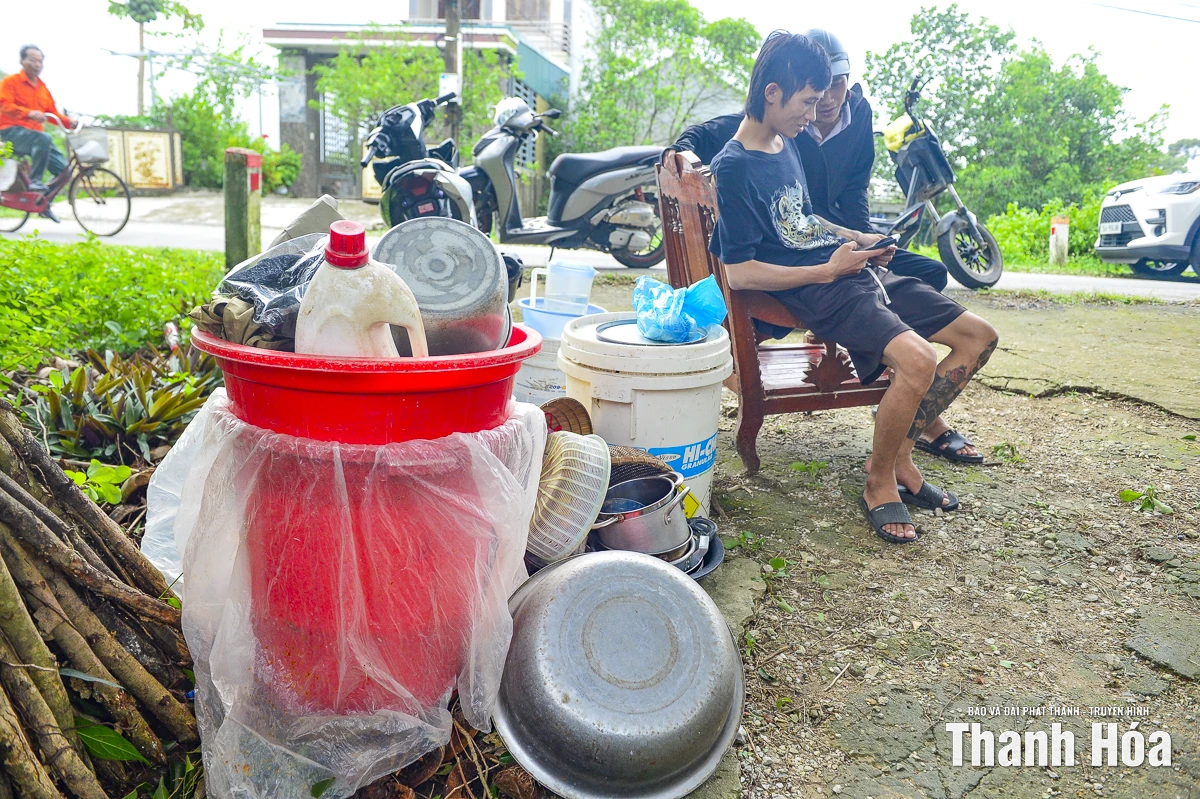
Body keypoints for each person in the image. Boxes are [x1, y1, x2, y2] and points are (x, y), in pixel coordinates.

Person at [707, 31, 998, 544]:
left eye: (819, 101)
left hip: (848, 266)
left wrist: (857, 238)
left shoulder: (784, 141)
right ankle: (879, 480)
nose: (814, 113)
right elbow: (740, 273)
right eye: (808, 102)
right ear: (772, 93)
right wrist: (828, 270)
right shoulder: (734, 167)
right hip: (819, 288)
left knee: (978, 337)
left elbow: (801, 216)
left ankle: (901, 455)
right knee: (919, 360)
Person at [0, 45, 72, 196]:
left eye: (40, 61)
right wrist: (28, 113)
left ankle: (42, 203)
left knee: (65, 170)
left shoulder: (42, 88)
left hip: (37, 139)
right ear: (22, 61)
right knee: (43, 138)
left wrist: (70, 122)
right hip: (11, 132)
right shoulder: (10, 82)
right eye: (32, 60)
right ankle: (36, 180)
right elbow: (4, 105)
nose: (37, 65)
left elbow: (52, 113)